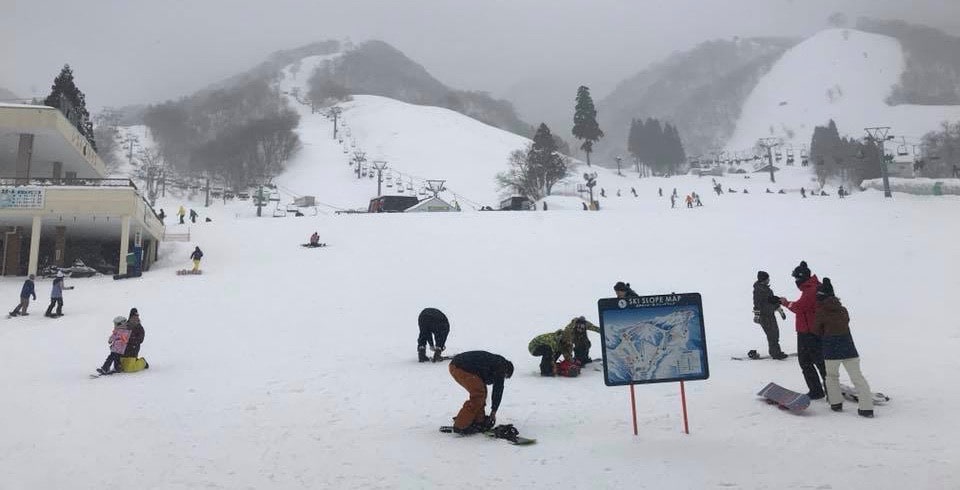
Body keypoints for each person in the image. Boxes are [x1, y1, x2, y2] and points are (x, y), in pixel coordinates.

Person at [812, 278, 874, 417]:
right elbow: (846, 322)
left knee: (832, 377)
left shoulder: (821, 311)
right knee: (858, 378)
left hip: (831, 350)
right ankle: (866, 408)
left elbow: (815, 330)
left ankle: (836, 403)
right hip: (849, 348)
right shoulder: (843, 310)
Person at [780, 261, 826, 399]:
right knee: (816, 361)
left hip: (808, 332)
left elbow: (800, 307)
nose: (795, 281)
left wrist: (786, 303)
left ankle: (819, 391)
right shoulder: (813, 287)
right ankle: (825, 389)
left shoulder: (811, 290)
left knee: (810, 362)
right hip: (810, 330)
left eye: (796, 278)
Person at [448, 351, 513, 434]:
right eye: (505, 377)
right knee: (478, 395)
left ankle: (478, 420)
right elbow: (498, 389)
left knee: (482, 393)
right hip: (460, 367)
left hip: (460, 365)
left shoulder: (497, 362)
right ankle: (460, 426)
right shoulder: (501, 367)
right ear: (506, 372)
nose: (503, 379)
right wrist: (493, 412)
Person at [753, 271, 788, 359]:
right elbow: (756, 304)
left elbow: (772, 300)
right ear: (763, 280)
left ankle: (776, 352)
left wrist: (780, 310)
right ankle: (775, 353)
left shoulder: (767, 290)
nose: (769, 280)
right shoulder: (758, 290)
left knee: (775, 333)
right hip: (764, 316)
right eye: (767, 278)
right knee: (772, 334)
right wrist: (757, 316)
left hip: (770, 314)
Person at [121, 308, 149, 372]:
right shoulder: (125, 325)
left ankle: (143, 362)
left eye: (136, 316)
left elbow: (140, 340)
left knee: (129, 368)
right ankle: (134, 361)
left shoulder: (139, 328)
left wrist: (130, 339)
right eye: (133, 317)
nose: (135, 318)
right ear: (130, 317)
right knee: (121, 366)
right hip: (123, 350)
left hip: (133, 349)